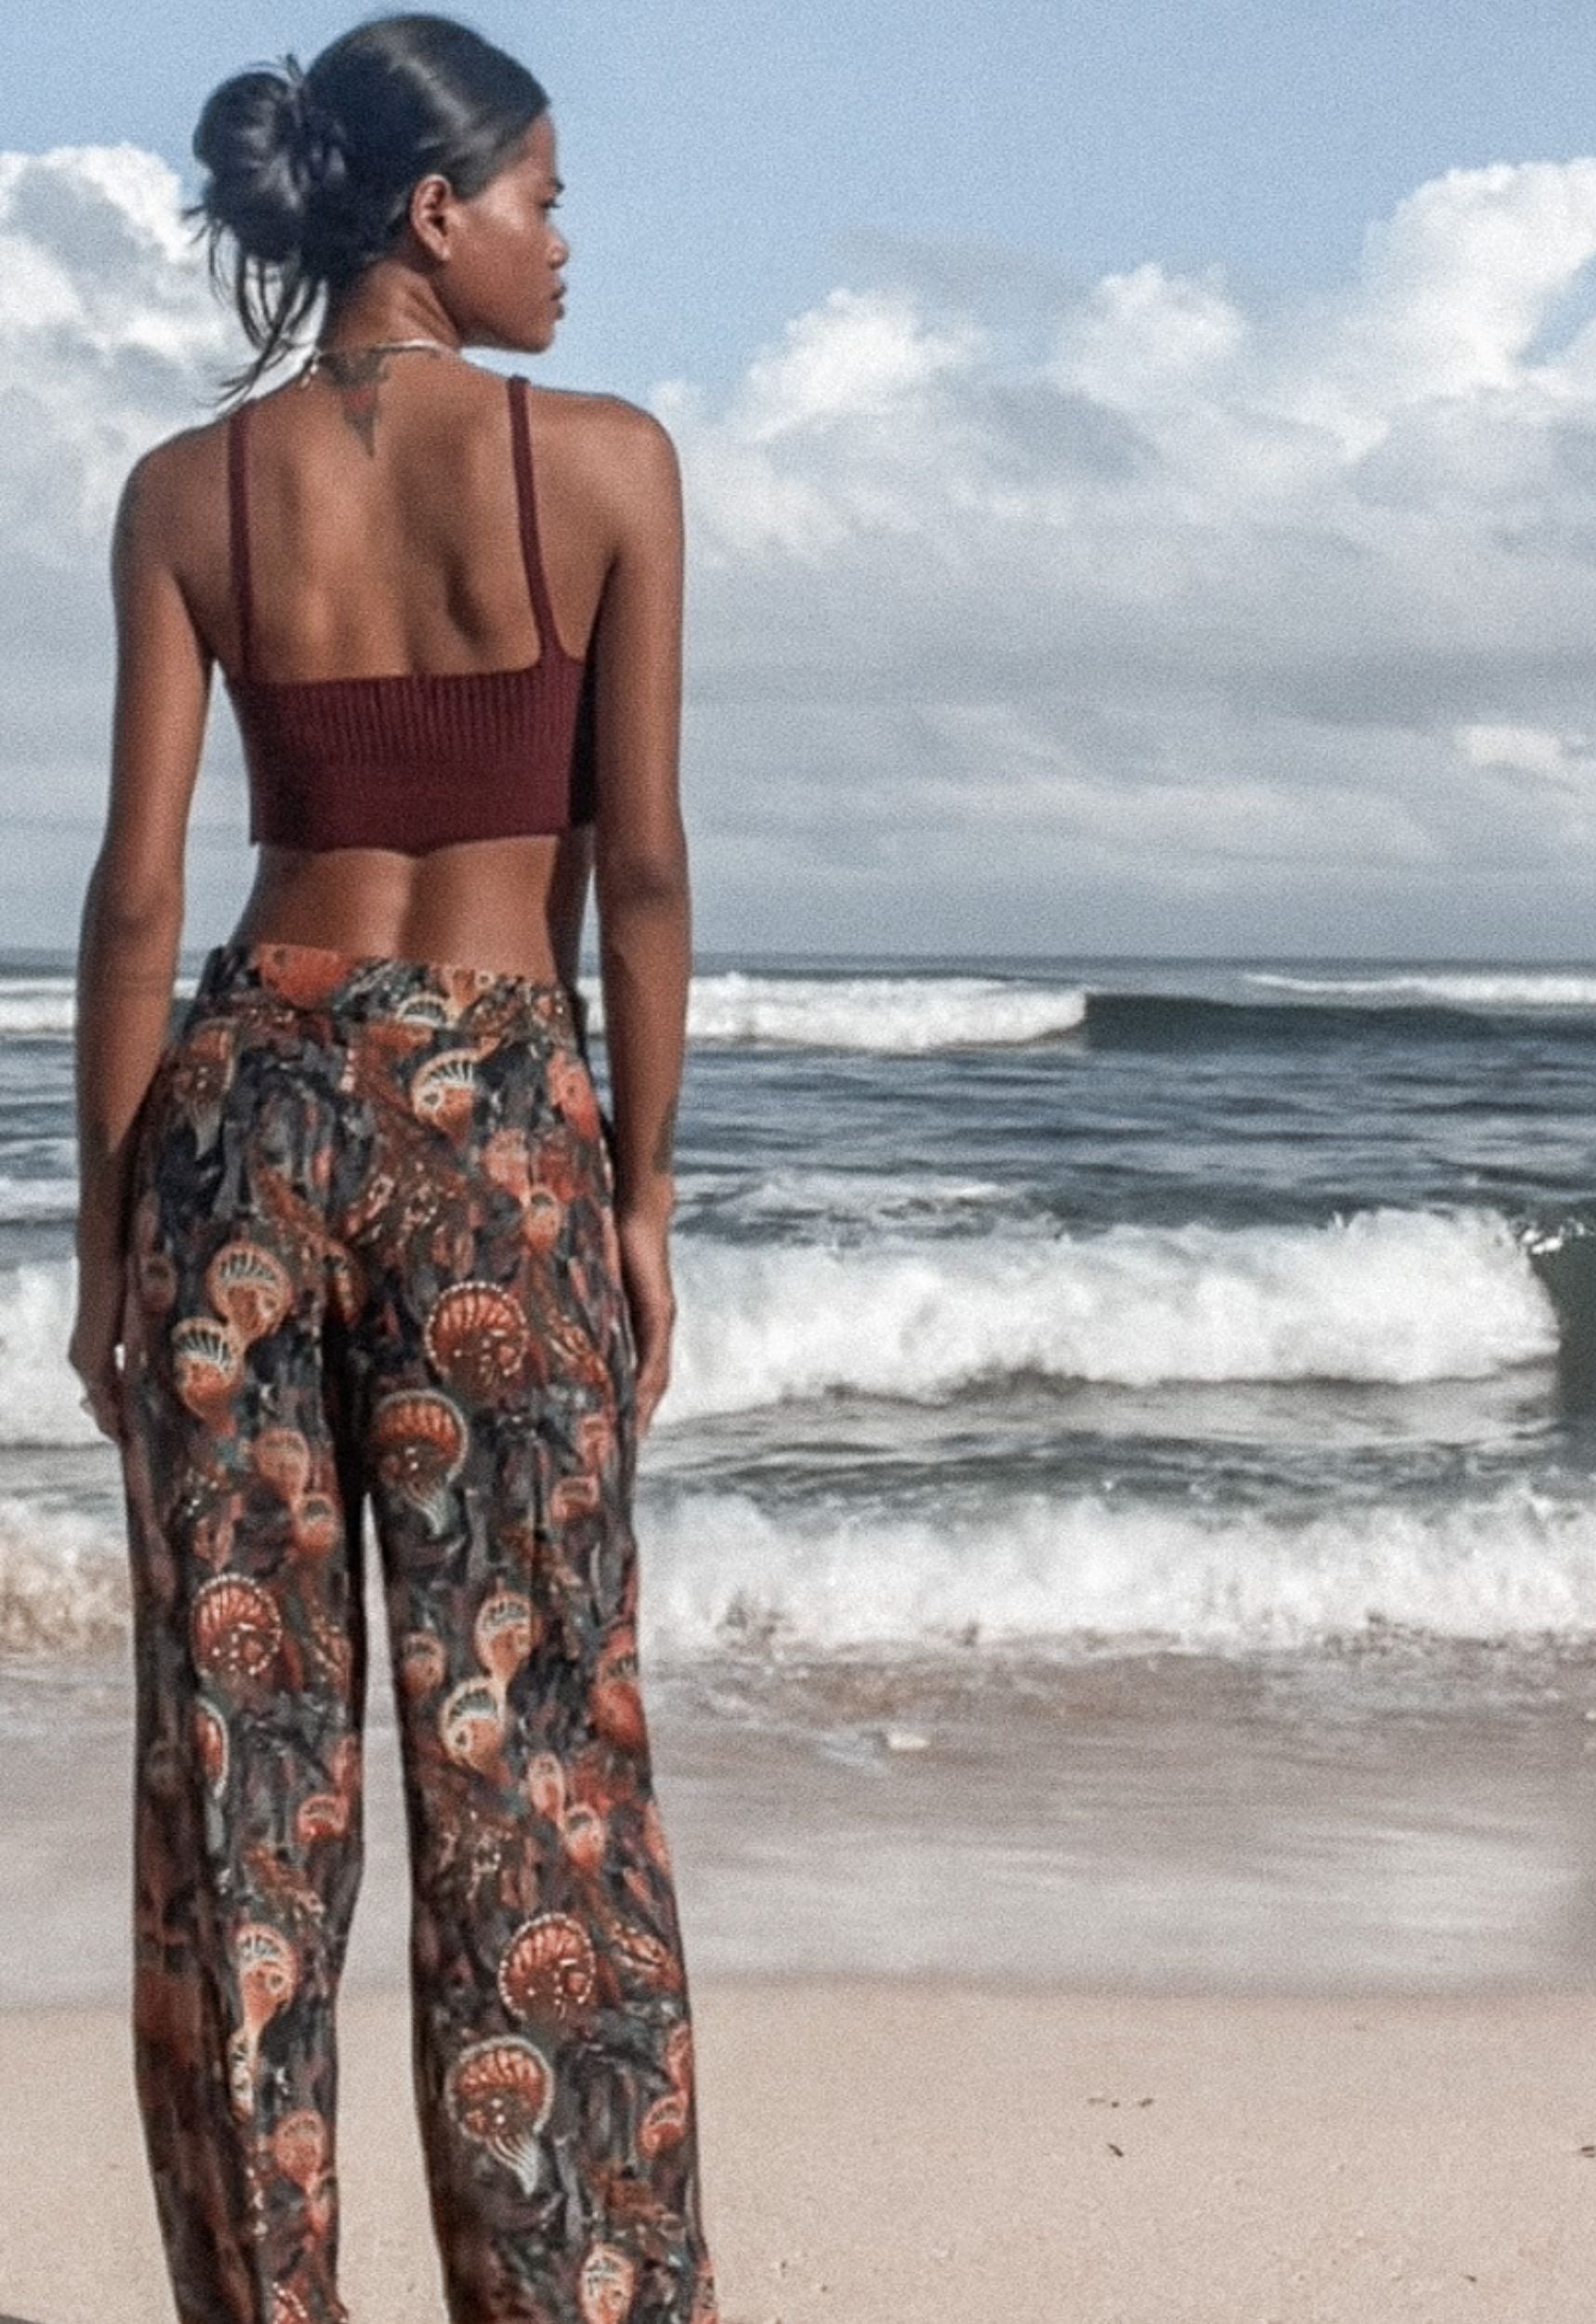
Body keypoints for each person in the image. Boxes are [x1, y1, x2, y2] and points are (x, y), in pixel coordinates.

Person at [64, 16, 719, 2322]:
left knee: (240, 1782)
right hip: (501, 1121)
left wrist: (103, 1227)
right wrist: (634, 1193)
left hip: (241, 1098)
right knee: (528, 1751)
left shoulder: (184, 491)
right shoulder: (609, 466)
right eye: (543, 198)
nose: (566, 242)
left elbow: (138, 896)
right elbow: (635, 873)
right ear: (436, 215)